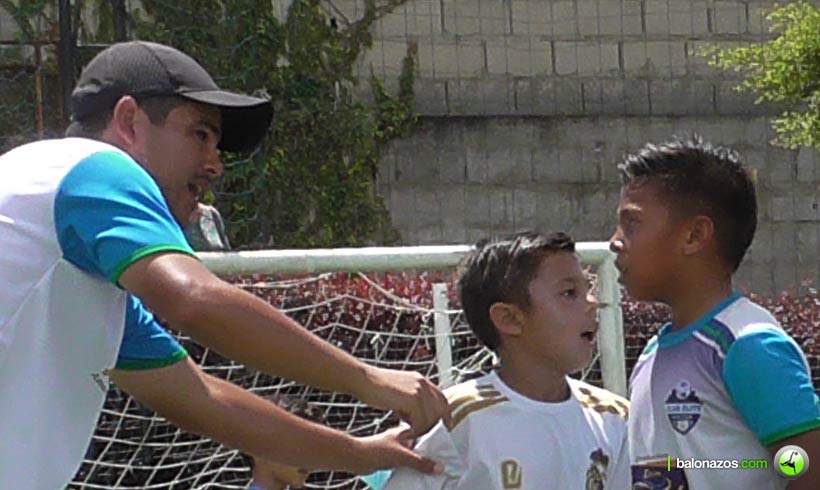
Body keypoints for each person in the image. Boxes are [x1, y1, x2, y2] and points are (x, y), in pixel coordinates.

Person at [0, 40, 448, 489]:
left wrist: (360, 453)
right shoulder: (93, 167)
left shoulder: (70, 263)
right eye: (200, 135)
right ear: (129, 121)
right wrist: (368, 378)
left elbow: (202, 398)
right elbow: (195, 300)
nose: (215, 165)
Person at [609, 136, 820, 489]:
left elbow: (808, 470)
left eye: (631, 224)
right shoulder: (652, 354)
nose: (615, 241)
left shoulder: (748, 346)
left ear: (694, 236)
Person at [382, 231, 631, 489]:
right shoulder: (454, 420)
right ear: (509, 319)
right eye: (569, 293)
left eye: (588, 289)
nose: (592, 302)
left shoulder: (615, 417)